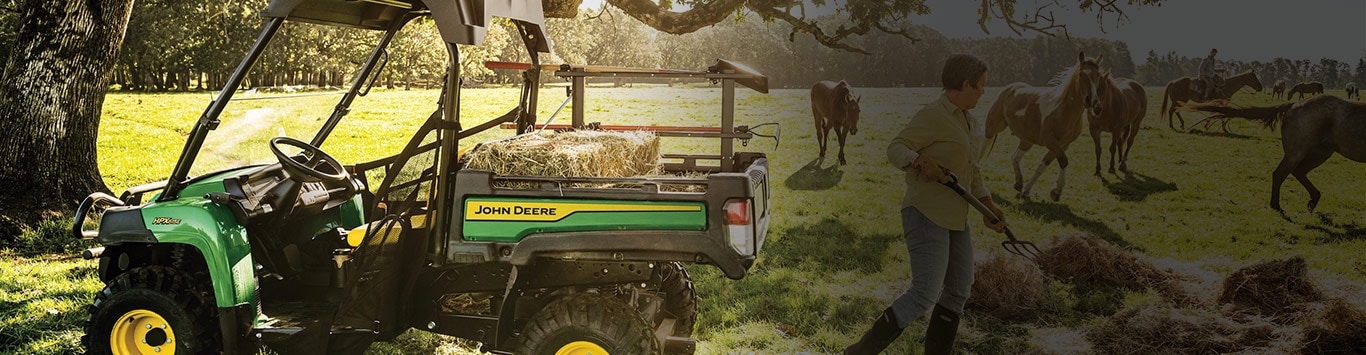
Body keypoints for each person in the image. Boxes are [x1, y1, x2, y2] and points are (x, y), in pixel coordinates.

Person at [844, 54, 1007, 355]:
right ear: (965, 84)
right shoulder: (933, 115)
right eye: (981, 86)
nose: (984, 92)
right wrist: (919, 162)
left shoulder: (969, 122)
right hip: (926, 213)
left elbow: (973, 170)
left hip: (957, 218)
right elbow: (896, 149)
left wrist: (987, 205)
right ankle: (859, 353)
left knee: (959, 290)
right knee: (924, 293)